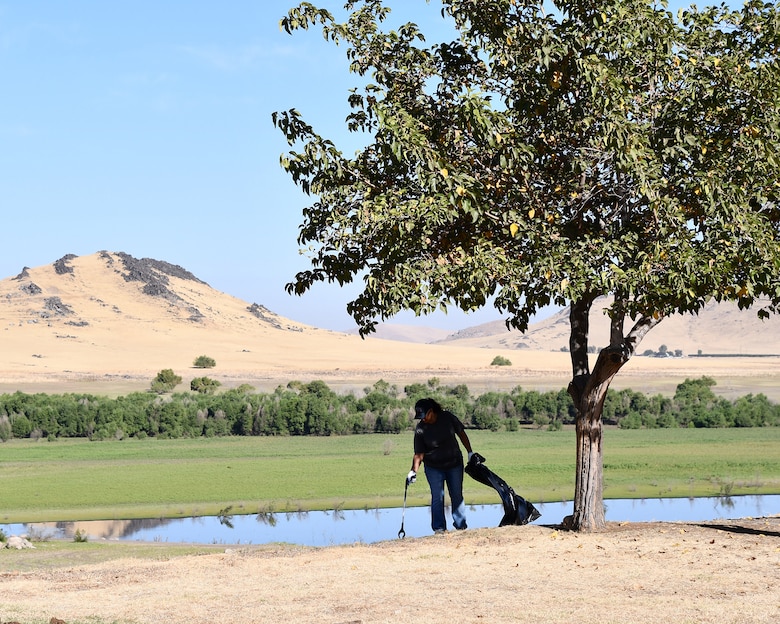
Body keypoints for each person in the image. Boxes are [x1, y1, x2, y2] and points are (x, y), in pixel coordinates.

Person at [406, 398, 476, 533]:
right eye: (420, 417)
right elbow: (419, 453)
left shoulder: (447, 417)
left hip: (454, 464)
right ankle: (439, 529)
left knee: (456, 495)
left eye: (424, 416)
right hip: (433, 468)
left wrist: (470, 452)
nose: (423, 420)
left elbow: (461, 433)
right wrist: (413, 471)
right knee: (437, 497)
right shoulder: (421, 429)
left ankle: (461, 527)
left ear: (431, 411)